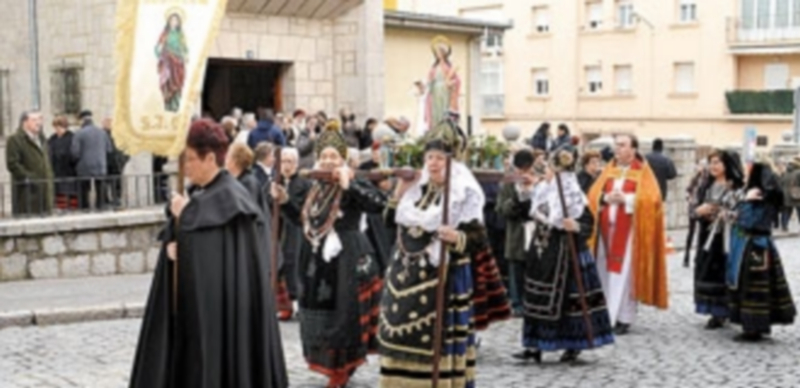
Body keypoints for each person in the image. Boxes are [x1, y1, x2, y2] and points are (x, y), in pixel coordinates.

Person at [128, 119, 288, 388]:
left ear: (210, 158)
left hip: (223, 315)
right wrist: (172, 250)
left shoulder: (232, 198)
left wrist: (187, 217)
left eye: (190, 159)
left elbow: (214, 259)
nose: (185, 167)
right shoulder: (201, 196)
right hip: (200, 312)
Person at [378, 121, 509, 387]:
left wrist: (457, 237)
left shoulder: (463, 193)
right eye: (429, 157)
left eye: (439, 158)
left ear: (452, 162)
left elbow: (478, 236)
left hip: (446, 274)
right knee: (399, 331)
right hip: (406, 274)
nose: (433, 163)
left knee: (437, 336)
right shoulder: (418, 189)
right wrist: (399, 191)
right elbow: (391, 220)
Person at [271, 120, 384, 388]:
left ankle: (342, 368)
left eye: (334, 156)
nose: (329, 161)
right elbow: (303, 219)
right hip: (317, 257)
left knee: (345, 312)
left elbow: (377, 205)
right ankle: (329, 362)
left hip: (349, 257)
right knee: (315, 309)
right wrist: (285, 201)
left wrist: (349, 185)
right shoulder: (315, 186)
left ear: (343, 159)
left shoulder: (353, 180)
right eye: (324, 156)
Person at [516, 146, 615, 363]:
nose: (547, 173)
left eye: (551, 169)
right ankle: (534, 345)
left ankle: (573, 345)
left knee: (569, 302)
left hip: (568, 255)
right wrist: (525, 193)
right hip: (541, 250)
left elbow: (589, 224)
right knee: (535, 296)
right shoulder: (543, 190)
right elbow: (529, 212)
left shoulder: (574, 195)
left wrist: (576, 226)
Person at [587, 134, 669, 335]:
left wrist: (627, 199)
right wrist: (606, 197)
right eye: (616, 145)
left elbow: (653, 201)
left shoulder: (643, 172)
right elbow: (593, 195)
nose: (617, 149)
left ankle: (624, 317)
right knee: (604, 272)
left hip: (630, 233)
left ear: (633, 149)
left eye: (622, 145)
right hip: (606, 233)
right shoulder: (609, 170)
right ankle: (604, 314)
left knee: (624, 275)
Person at [727, 160, 796, 342]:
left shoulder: (757, 195)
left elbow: (748, 220)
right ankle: (759, 325)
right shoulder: (769, 195)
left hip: (754, 247)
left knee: (753, 288)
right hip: (762, 245)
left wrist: (743, 202)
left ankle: (752, 329)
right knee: (762, 288)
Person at [691, 150, 744, 329]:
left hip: (726, 236)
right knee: (707, 269)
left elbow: (741, 212)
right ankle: (712, 309)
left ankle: (724, 311)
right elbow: (693, 207)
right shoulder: (706, 185)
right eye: (711, 162)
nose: (713, 166)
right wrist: (700, 211)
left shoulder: (735, 188)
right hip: (707, 234)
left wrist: (722, 213)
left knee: (723, 270)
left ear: (726, 165)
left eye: (717, 163)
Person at [270, 148, 311, 320]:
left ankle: (296, 302)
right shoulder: (275, 181)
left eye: (289, 162)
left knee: (293, 264)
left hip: (295, 229)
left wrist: (286, 201)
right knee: (277, 265)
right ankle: (282, 304)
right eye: (283, 162)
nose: (286, 166)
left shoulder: (303, 183)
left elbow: (300, 211)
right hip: (277, 229)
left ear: (296, 163)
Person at [497, 148, 538, 316]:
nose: (523, 172)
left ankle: (533, 301)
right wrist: (515, 200)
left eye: (527, 169)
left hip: (536, 229)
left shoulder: (540, 179)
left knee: (535, 267)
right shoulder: (509, 182)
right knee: (516, 268)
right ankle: (516, 303)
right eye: (520, 169)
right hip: (517, 231)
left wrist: (532, 187)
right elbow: (500, 208)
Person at [6, 111, 53, 216]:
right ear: (25, 122)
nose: (39, 123)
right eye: (34, 120)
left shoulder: (42, 139)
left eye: (40, 119)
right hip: (27, 192)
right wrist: (30, 178)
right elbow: (13, 164)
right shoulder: (15, 140)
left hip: (45, 190)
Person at [72, 110, 112, 210]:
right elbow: (109, 149)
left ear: (81, 120)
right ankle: (101, 208)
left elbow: (75, 152)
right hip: (100, 165)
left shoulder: (79, 133)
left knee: (84, 191)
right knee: (100, 190)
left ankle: (84, 209)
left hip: (84, 166)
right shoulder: (102, 132)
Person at [425, 35, 461, 129]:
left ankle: (445, 125)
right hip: (436, 91)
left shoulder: (448, 67)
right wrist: (425, 87)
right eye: (436, 53)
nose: (438, 54)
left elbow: (457, 80)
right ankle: (435, 126)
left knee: (444, 109)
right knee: (435, 111)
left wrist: (452, 84)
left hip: (445, 91)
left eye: (440, 52)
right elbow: (429, 81)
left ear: (444, 53)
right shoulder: (434, 67)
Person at [155, 12, 188, 112]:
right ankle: (168, 104)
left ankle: (175, 105)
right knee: (167, 82)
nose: (174, 22)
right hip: (168, 61)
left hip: (178, 63)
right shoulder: (165, 34)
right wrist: (160, 52)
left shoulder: (180, 35)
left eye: (176, 20)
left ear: (178, 23)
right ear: (168, 22)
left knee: (177, 84)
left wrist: (184, 55)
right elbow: (158, 47)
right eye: (172, 20)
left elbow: (185, 49)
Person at [47, 115, 78, 210]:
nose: (57, 130)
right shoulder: (52, 139)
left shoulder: (72, 137)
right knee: (59, 197)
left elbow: (74, 154)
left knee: (70, 197)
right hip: (56, 172)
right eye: (55, 128)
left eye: (59, 127)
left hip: (69, 172)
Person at [103, 118, 128, 208]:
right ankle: (107, 201)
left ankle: (116, 200)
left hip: (116, 163)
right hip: (106, 163)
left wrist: (123, 161)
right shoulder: (103, 134)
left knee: (116, 183)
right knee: (105, 184)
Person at [781, 156, 800, 229]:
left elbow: (781, 183)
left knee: (786, 211)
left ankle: (784, 226)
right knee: (799, 211)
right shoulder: (798, 173)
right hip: (797, 194)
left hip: (786, 195)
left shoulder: (785, 173)